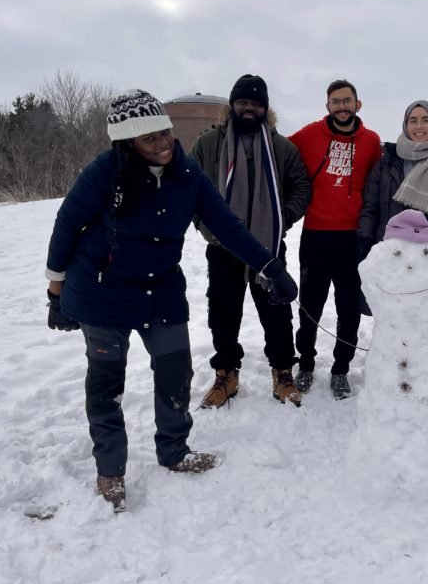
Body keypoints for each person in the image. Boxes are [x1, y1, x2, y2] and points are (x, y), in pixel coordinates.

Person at [45, 89, 298, 512]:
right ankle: (110, 470)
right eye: (150, 139)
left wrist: (270, 267)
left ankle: (174, 449)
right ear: (127, 144)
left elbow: (228, 226)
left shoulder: (188, 173)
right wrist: (56, 292)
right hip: (103, 291)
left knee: (176, 369)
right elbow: (67, 225)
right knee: (107, 384)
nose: (163, 143)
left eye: (164, 132)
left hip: (160, 289)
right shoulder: (104, 173)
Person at [189, 74, 311, 409]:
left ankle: (282, 371)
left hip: (268, 245)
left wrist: (281, 218)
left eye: (255, 104)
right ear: (232, 104)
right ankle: (226, 373)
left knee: (277, 312)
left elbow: (301, 187)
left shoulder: (281, 147)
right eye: (242, 102)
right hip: (222, 247)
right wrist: (205, 225)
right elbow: (191, 189)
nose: (248, 108)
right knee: (223, 312)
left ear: (265, 108)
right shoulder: (208, 144)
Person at [288, 79, 382, 398]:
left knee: (348, 308)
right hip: (315, 235)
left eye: (347, 101)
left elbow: (379, 182)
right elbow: (278, 152)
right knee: (310, 306)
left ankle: (341, 368)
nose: (342, 106)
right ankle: (306, 364)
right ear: (327, 106)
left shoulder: (371, 141)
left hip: (352, 240)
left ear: (358, 104)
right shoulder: (308, 135)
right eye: (335, 101)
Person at [357, 100, 428, 316]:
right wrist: (365, 242)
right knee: (391, 324)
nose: (419, 127)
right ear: (405, 124)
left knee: (424, 327)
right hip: (389, 255)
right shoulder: (386, 163)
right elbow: (371, 207)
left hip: (423, 259)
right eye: (413, 121)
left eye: (425, 120)